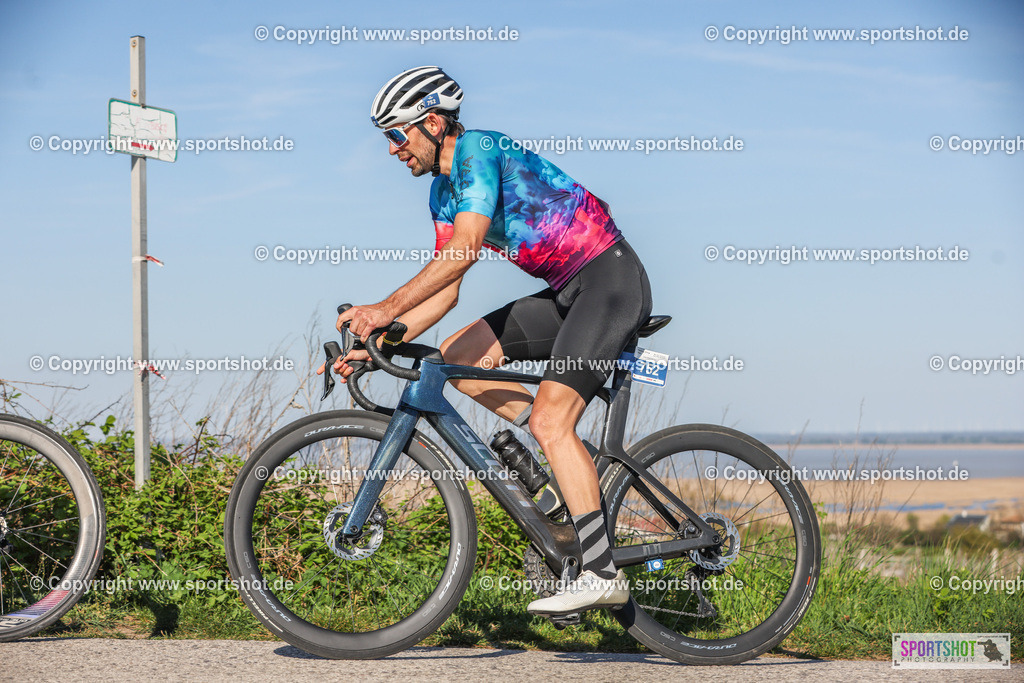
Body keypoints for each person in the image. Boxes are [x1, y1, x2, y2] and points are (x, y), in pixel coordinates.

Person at [322, 65, 652, 615]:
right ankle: (561, 468)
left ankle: (600, 571)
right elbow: (446, 290)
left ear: (430, 123)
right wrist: (381, 336)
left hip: (608, 281)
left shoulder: (478, 149)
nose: (390, 149)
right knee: (460, 358)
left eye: (395, 134)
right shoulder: (441, 194)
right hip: (568, 290)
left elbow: (466, 249)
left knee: (551, 419)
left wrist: (382, 307)